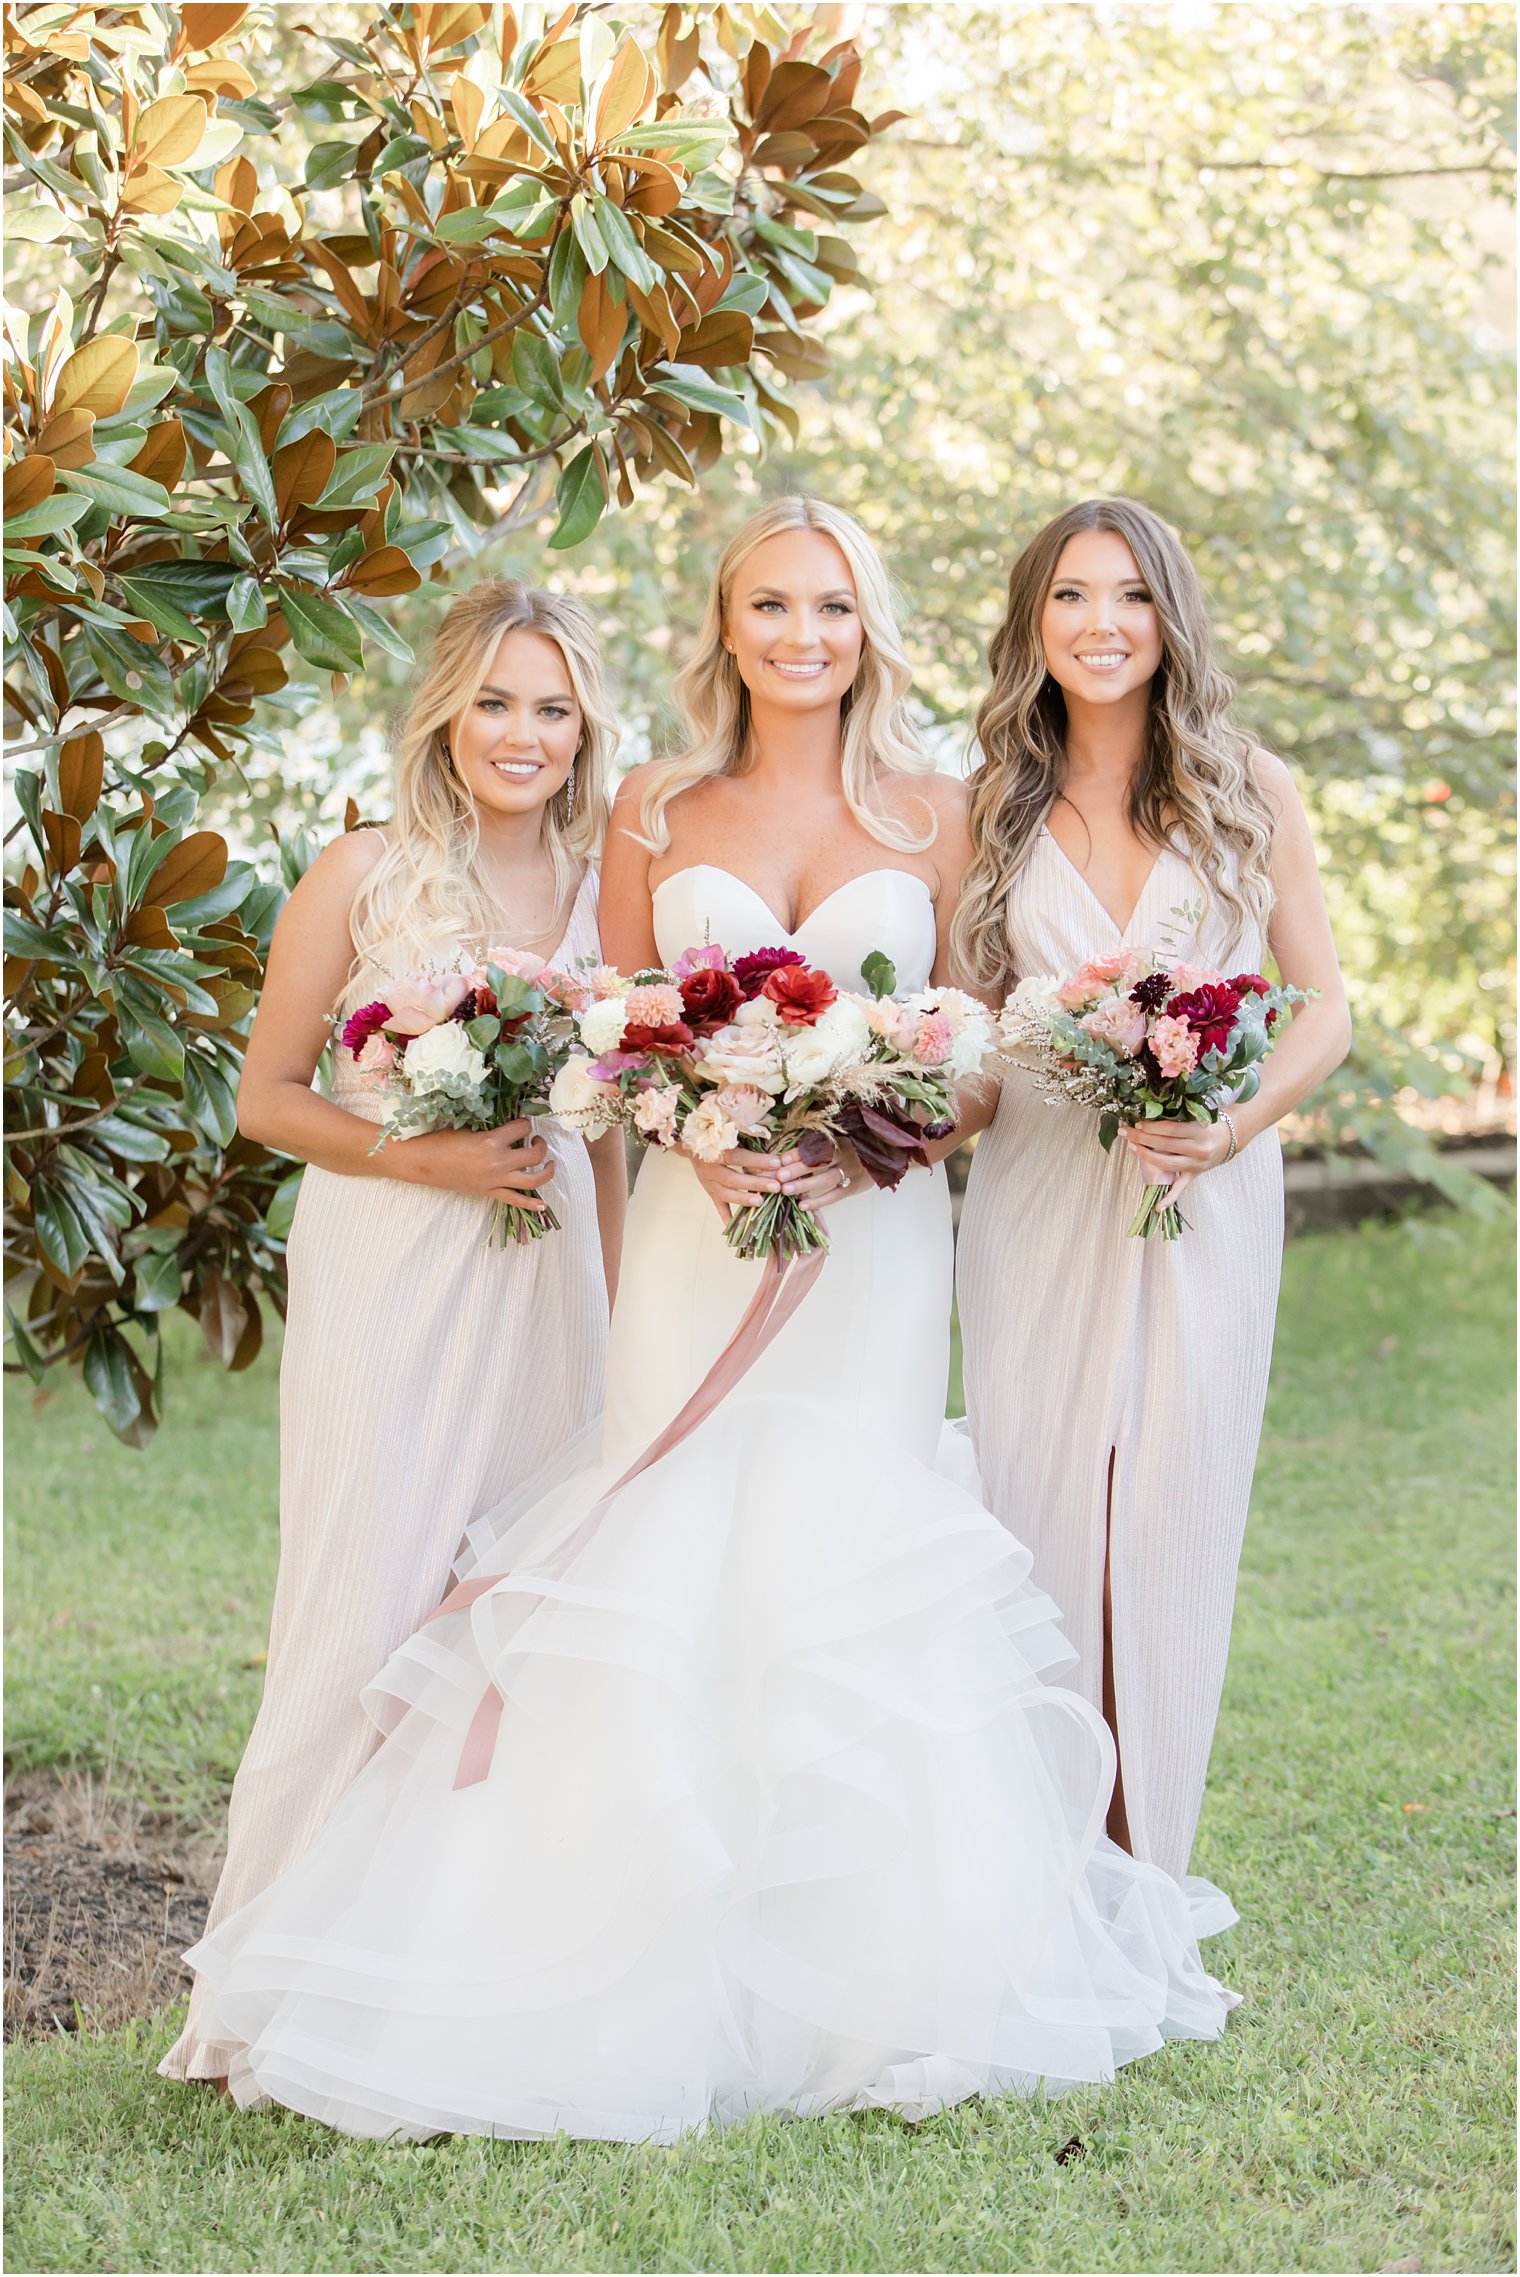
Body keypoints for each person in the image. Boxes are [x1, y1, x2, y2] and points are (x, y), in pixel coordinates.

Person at [176, 499, 1236, 2143]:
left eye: (829, 606)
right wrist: (718, 1132)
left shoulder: (940, 811)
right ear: (724, 628)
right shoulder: (655, 810)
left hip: (868, 1255)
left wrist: (860, 1123)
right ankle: (603, 1947)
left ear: (865, 626)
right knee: (665, 1544)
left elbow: (969, 1070)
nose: (801, 635)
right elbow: (610, 1048)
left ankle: (861, 1965)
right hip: (693, 1241)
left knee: (841, 1548)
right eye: (768, 605)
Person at [160, 581, 626, 2085]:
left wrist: (625, 1318)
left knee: (512, 1616)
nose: (524, 734)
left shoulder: (601, 886)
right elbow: (269, 1096)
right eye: (496, 700)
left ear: (586, 727)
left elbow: (613, 1124)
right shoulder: (364, 871)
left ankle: (452, 1991)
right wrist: (427, 1156)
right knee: (361, 1612)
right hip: (392, 1266)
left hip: (551, 1282)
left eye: (552, 707)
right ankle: (259, 2002)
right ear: (444, 709)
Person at [952, 498, 1352, 1908]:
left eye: (1130, 595)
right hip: (1039, 1205)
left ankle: (1147, 1869)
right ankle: (1047, 1867)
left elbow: (1322, 1010)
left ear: (1170, 618)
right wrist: (857, 1103)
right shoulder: (989, 808)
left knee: (1167, 1518)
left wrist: (1229, 1121)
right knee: (1044, 1507)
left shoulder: (1247, 786)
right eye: (1071, 595)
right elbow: (975, 1051)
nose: (1102, 623)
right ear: (1033, 623)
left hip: (1208, 1203)